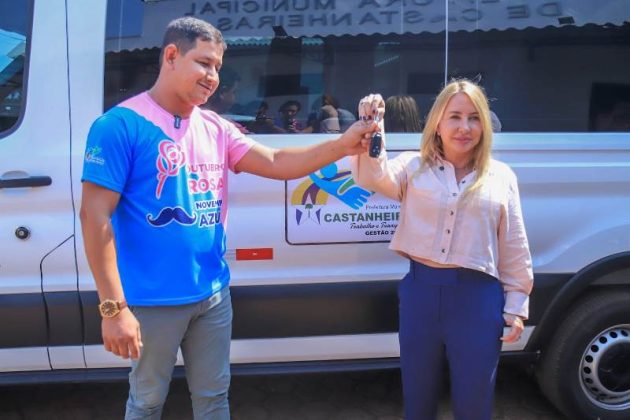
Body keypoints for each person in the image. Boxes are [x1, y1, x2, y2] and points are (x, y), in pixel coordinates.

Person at [80, 17, 374, 420]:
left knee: (214, 400)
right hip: (152, 300)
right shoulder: (118, 126)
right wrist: (113, 309)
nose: (213, 77)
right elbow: (94, 216)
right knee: (146, 403)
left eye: (217, 67)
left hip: (213, 295)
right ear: (171, 56)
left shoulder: (216, 128)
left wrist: (342, 145)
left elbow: (276, 161)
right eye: (204, 63)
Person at [350, 79, 533, 420]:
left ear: (484, 125)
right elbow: (371, 176)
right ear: (437, 122)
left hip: (477, 299)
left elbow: (513, 243)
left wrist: (516, 304)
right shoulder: (412, 167)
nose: (465, 127)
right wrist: (373, 126)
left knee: (474, 403)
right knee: (418, 400)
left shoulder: (501, 177)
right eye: (455, 117)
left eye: (474, 118)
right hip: (421, 294)